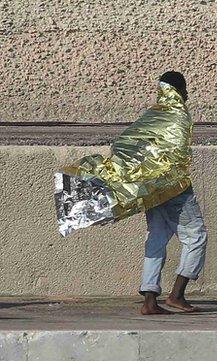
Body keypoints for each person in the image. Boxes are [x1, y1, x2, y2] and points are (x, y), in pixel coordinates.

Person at [57, 71, 206, 315]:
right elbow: (177, 153)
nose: (187, 93)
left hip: (150, 190)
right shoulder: (178, 115)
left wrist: (139, 177)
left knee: (157, 237)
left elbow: (123, 144)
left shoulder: (150, 115)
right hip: (174, 187)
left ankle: (149, 301)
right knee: (196, 236)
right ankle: (177, 295)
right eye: (185, 89)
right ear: (179, 90)